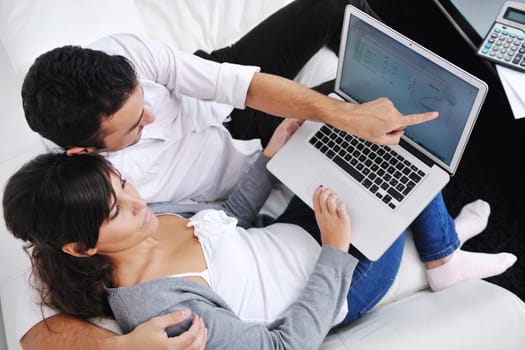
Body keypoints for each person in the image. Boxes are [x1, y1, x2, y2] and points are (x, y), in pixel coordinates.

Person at [3, 118, 517, 349]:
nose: (139, 205)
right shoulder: (165, 313)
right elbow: (283, 346)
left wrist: (270, 158)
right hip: (340, 282)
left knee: (349, 139)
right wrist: (335, 249)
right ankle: (444, 261)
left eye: (125, 184)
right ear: (81, 247)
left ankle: (442, 239)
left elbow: (227, 220)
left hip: (291, 233)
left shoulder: (146, 220)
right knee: (407, 166)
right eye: (118, 209)